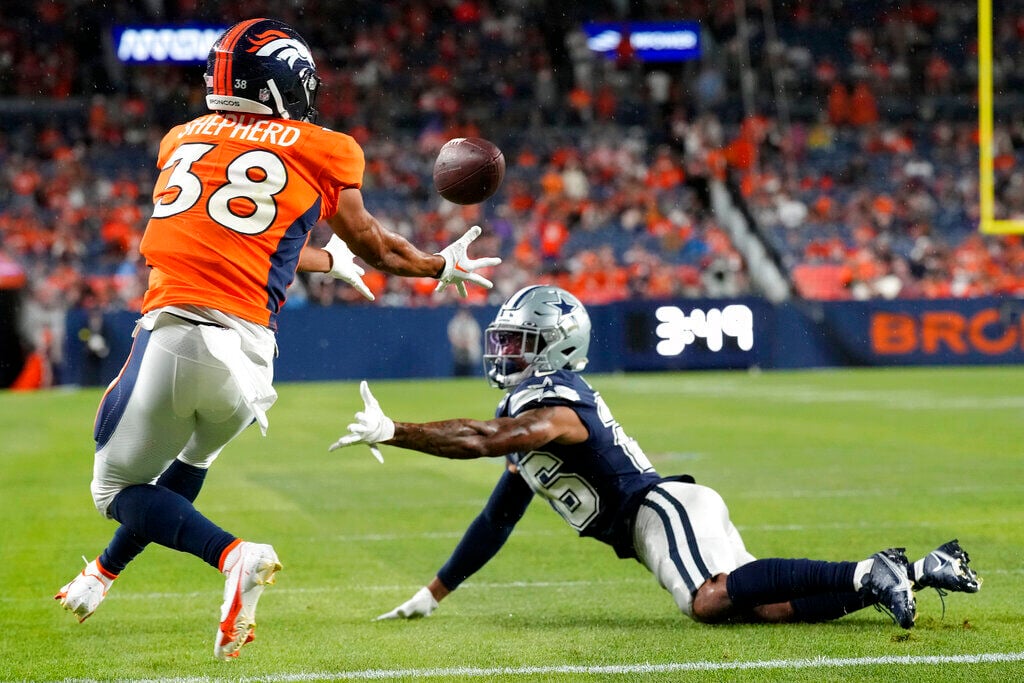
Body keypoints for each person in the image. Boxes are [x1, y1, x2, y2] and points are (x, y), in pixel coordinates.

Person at [54, 18, 500, 661]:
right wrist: (436, 266)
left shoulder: (181, 138)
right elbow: (371, 246)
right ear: (290, 81)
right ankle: (103, 574)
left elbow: (212, 232)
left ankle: (234, 555)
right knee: (191, 464)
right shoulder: (324, 145)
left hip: (182, 333)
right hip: (252, 366)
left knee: (112, 491)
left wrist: (320, 258)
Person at [331, 285, 980, 629]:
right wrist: (433, 592)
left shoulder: (556, 408)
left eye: (518, 342)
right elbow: (498, 518)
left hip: (661, 509)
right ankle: (919, 567)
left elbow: (482, 440)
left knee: (711, 599)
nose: (505, 353)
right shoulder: (535, 410)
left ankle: (868, 569)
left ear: (554, 347)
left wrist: (394, 429)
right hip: (664, 517)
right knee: (762, 606)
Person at [447, 305, 482, 376]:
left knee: (470, 368)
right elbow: (452, 335)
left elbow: (476, 335)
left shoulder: (472, 323)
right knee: (459, 367)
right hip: (458, 350)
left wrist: (467, 343)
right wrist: (460, 343)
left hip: (469, 349)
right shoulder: (455, 323)